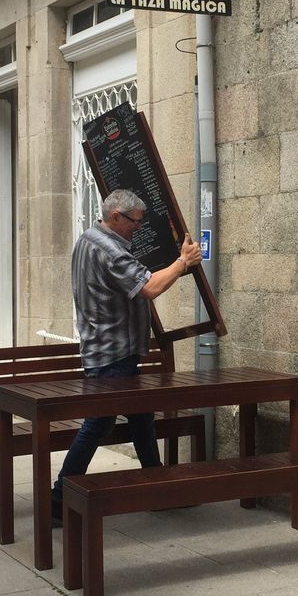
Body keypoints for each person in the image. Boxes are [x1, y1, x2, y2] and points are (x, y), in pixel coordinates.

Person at [50, 189, 203, 524]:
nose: (139, 227)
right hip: (111, 353)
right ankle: (59, 500)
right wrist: (183, 262)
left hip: (110, 350)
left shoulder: (88, 239)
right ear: (116, 216)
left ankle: (156, 488)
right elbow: (149, 287)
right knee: (98, 423)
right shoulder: (108, 249)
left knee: (141, 417)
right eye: (135, 221)